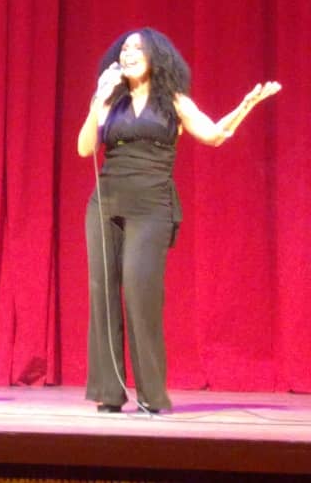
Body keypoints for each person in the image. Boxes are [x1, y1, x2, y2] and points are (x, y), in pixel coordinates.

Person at [76, 28, 280, 414]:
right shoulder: (109, 100)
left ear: (156, 57)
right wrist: (97, 101)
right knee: (102, 294)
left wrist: (246, 105)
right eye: (124, 48)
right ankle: (109, 392)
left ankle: (152, 395)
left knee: (140, 293)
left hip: (152, 206)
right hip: (105, 203)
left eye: (138, 48)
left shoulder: (173, 100)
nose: (129, 53)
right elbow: (85, 148)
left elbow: (214, 135)